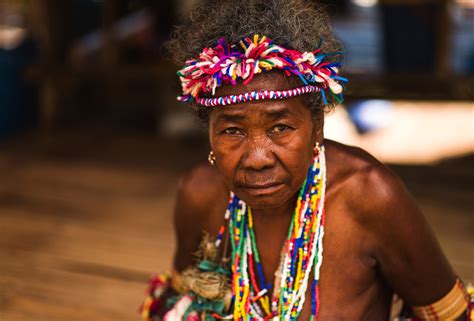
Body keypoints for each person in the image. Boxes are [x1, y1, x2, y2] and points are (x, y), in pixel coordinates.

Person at [140, 0, 472, 320]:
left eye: (280, 128)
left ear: (317, 128)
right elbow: (179, 303)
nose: (257, 159)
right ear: (209, 133)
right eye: (232, 130)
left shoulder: (370, 197)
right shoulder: (200, 194)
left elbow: (453, 315)